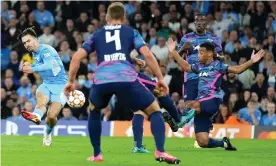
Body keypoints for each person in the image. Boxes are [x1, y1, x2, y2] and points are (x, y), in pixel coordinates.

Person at [64, 2, 180, 164]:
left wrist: (70, 81)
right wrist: (160, 78)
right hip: (126, 79)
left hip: (102, 80)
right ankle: (160, 151)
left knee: (94, 110)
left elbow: (76, 57)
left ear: (107, 17)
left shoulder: (97, 34)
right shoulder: (131, 32)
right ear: (124, 17)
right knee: (154, 111)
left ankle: (97, 154)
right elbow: (147, 55)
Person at [168, 39, 265, 150]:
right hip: (200, 104)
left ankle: (178, 123)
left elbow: (237, 70)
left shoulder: (218, 65)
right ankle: (224, 144)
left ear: (209, 53)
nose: (198, 55)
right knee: (202, 142)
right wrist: (173, 51)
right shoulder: (199, 66)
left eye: (201, 52)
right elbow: (185, 66)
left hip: (212, 99)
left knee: (190, 104)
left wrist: (251, 61)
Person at [19, 27, 68, 146]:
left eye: (28, 41)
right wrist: (29, 65)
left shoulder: (47, 49)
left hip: (61, 87)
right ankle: (36, 115)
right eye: (24, 43)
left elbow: (49, 65)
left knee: (51, 117)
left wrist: (32, 68)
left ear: (35, 39)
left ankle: (47, 133)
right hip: (46, 85)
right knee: (41, 103)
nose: (26, 44)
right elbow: (38, 66)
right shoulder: (34, 54)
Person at [176, 13, 223, 114]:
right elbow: (175, 58)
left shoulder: (214, 38)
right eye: (197, 20)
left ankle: (204, 126)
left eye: (202, 20)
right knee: (189, 105)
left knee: (205, 107)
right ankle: (188, 127)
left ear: (206, 23)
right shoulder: (186, 38)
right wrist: (182, 49)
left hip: (207, 77)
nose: (199, 22)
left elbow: (222, 58)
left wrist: (215, 55)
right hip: (191, 76)